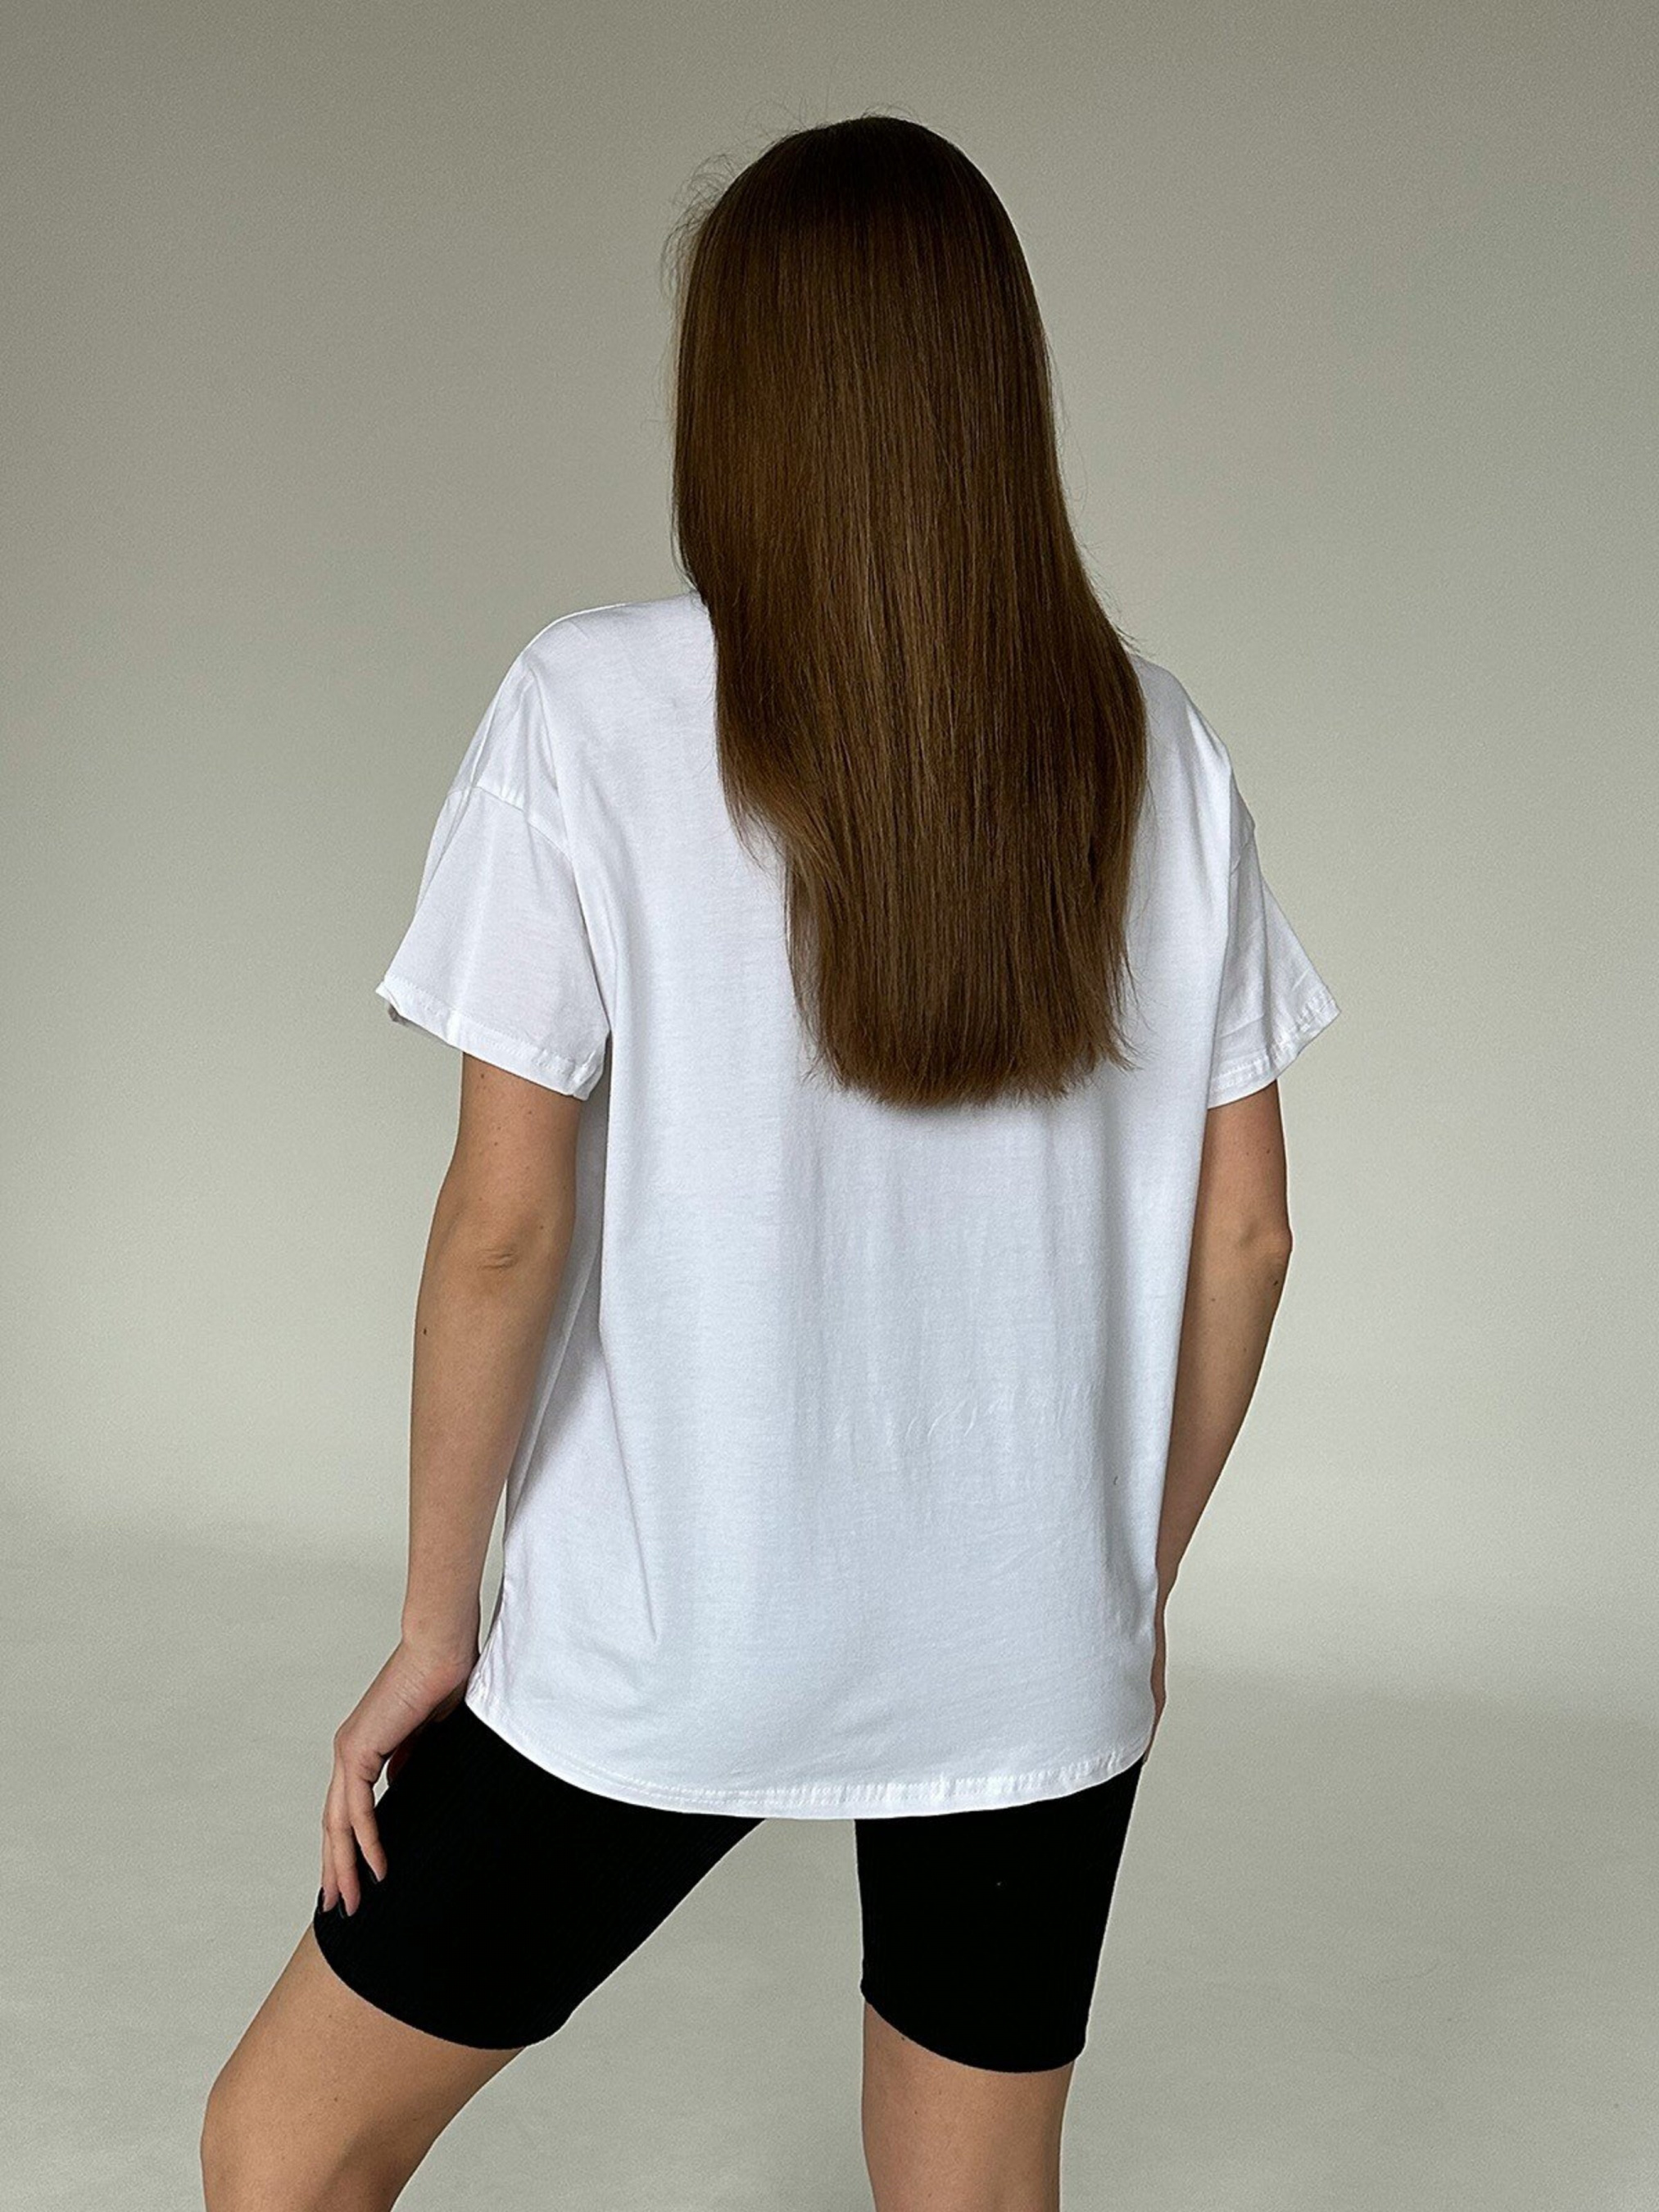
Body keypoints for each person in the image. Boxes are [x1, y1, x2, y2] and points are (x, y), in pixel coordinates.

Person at [201, 113, 1339, 2212]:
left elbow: (502, 1228)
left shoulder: (588, 711)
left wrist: (437, 1621)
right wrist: (1121, 1577)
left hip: (670, 1631)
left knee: (282, 2148)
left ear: (734, 394)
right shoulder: (1148, 743)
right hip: (1030, 1641)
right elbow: (1248, 1238)